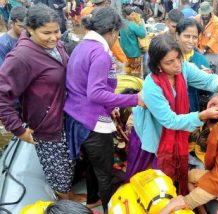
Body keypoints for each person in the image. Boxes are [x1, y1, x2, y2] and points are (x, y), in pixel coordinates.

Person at [126, 34, 218, 195]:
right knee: (148, 178)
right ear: (158, 65)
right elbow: (170, 121)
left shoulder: (184, 68)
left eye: (178, 58)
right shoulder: (152, 86)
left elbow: (207, 80)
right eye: (170, 62)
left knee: (172, 171)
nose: (177, 65)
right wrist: (202, 116)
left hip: (176, 128)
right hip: (153, 133)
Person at [64, 7, 144, 211]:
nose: (117, 37)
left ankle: (93, 199)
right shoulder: (101, 54)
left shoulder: (82, 46)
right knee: (104, 172)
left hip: (76, 116)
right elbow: (95, 93)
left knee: (91, 164)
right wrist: (135, 99)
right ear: (110, 31)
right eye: (117, 33)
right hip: (92, 121)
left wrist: (111, 105)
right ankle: (110, 207)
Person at [0, 4, 82, 201]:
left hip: (65, 116)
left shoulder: (57, 46)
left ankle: (68, 195)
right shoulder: (21, 57)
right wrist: (18, 129)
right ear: (30, 30)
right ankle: (65, 204)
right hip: (46, 125)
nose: (54, 37)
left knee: (68, 161)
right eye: (47, 33)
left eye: (57, 31)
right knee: (58, 170)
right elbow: (2, 96)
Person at [160, 94, 218, 213]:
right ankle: (205, 208)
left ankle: (204, 206)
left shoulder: (216, 132)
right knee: (188, 175)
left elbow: (209, 162)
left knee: (183, 203)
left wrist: (209, 175)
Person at [175, 18, 209, 112]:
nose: (191, 41)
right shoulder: (168, 57)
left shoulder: (201, 60)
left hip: (192, 112)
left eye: (194, 37)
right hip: (170, 112)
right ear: (177, 35)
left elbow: (206, 92)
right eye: (187, 36)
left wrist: (206, 78)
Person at [120, 6, 146, 74]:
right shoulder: (132, 25)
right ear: (127, 16)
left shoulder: (121, 24)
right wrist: (141, 24)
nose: (134, 16)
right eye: (132, 15)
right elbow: (142, 34)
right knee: (136, 72)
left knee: (127, 71)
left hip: (125, 51)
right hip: (134, 52)